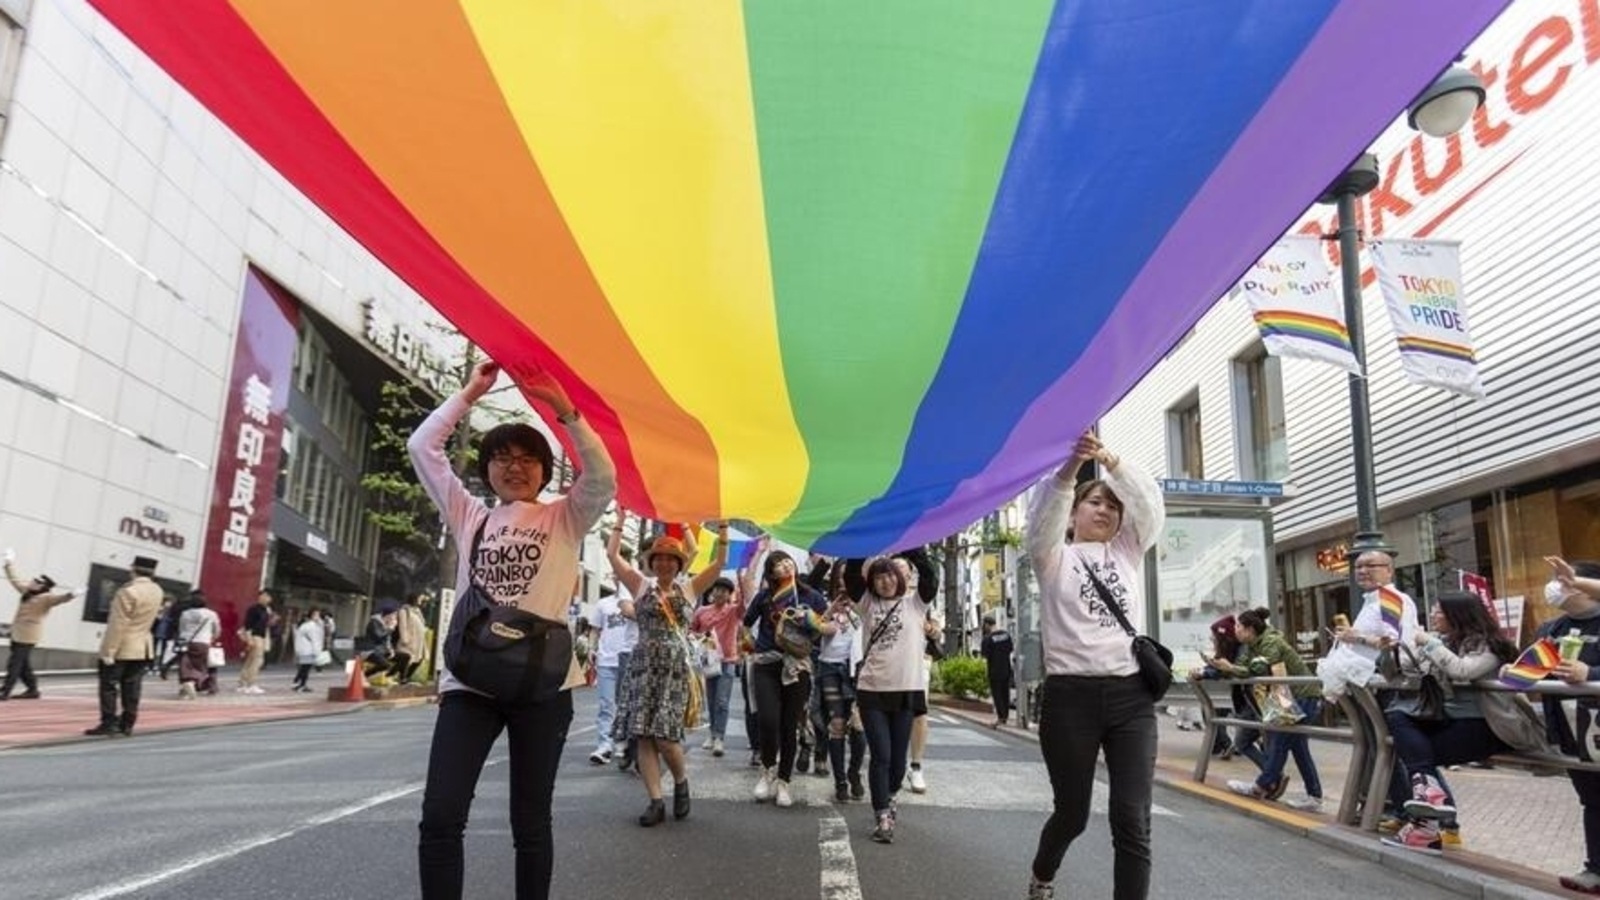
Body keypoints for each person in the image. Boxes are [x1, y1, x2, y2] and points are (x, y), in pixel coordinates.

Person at [407, 358, 615, 900]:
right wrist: (469, 395)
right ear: (487, 470)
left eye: (527, 459)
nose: (514, 467)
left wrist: (564, 410)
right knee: (441, 816)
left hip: (543, 688)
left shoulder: (566, 517)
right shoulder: (469, 515)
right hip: (469, 686)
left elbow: (603, 476)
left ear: (546, 472)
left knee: (531, 822)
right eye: (502, 457)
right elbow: (421, 449)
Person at [1023, 431, 1164, 900]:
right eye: (1094, 502)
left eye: (1111, 505)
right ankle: (1043, 873)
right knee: (1072, 814)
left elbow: (1149, 507)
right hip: (1070, 700)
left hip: (1131, 697)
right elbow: (1042, 517)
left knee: (1132, 817)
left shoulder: (1128, 551)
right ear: (1075, 513)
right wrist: (1070, 469)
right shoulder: (1052, 557)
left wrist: (1110, 460)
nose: (1104, 510)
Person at [1376, 591, 1538, 855]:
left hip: (1486, 726)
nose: (1432, 615)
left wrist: (1429, 643)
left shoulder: (1490, 645)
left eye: (1438, 611)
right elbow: (1396, 671)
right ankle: (1428, 811)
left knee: (1416, 758)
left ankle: (1425, 827)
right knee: (1397, 714)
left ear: (1457, 615)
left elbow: (1463, 670)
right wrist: (1386, 652)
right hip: (1449, 721)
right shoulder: (1442, 642)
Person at [607, 524, 729, 826]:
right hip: (643, 665)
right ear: (652, 561)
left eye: (670, 558)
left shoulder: (689, 588)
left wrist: (724, 529)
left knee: (665, 735)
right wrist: (619, 522)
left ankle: (681, 779)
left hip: (675, 667)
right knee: (644, 735)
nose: (664, 563)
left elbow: (719, 564)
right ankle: (655, 801)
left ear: (678, 563)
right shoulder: (640, 585)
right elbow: (611, 554)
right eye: (658, 557)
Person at [847, 551, 937, 843]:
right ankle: (882, 814)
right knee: (881, 756)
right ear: (871, 582)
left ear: (899, 578)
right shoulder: (867, 604)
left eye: (889, 576)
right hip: (872, 690)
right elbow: (850, 574)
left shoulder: (916, 604)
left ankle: (890, 794)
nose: (884, 582)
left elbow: (928, 573)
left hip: (906, 691)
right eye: (878, 577)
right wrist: (866, 540)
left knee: (898, 762)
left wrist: (908, 541)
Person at [743, 548, 831, 808]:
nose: (784, 566)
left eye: (786, 561)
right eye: (777, 564)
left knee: (789, 724)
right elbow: (746, 623)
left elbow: (827, 626)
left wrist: (812, 622)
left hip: (798, 666)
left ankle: (784, 781)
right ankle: (767, 771)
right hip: (766, 662)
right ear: (771, 573)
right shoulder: (765, 596)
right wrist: (748, 644)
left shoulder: (810, 596)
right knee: (768, 720)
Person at [1222, 608, 1324, 812]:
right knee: (1297, 747)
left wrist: (1230, 668)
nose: (1236, 630)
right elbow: (1243, 667)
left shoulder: (1271, 642)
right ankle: (1313, 795)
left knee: (1280, 740)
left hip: (1302, 695)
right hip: (1286, 697)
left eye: (1239, 627)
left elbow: (1259, 668)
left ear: (1250, 629)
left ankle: (1262, 785)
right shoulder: (1250, 646)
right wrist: (1226, 668)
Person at [1539, 557, 1600, 893]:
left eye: (1565, 582)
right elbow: (1536, 664)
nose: (1555, 588)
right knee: (1592, 798)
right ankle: (1596, 869)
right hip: (1573, 729)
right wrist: (1516, 672)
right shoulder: (1551, 629)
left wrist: (1589, 675)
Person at [86, 555, 164, 736]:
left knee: (109, 685)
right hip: (143, 646)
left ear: (133, 569)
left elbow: (118, 623)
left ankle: (109, 723)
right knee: (132, 686)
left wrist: (109, 651)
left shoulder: (128, 591)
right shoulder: (157, 590)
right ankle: (128, 723)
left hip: (123, 646)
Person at [1189, 613, 1265, 769]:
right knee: (1272, 741)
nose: (1212, 640)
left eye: (1239, 627)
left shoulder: (1243, 650)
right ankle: (1274, 775)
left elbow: (1230, 669)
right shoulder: (1236, 649)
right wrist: (1207, 669)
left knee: (1245, 741)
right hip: (1250, 701)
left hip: (1253, 701)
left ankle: (1271, 775)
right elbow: (1224, 667)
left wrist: (1207, 671)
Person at [1, 550, 74, 700]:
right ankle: (33, 690)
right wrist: (9, 563)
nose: (32, 582)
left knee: (14, 664)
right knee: (23, 665)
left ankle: (5, 691)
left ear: (42, 587)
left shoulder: (46, 597)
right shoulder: (27, 592)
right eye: (34, 580)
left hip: (28, 636)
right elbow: (14, 579)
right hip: (17, 633)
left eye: (36, 582)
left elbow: (59, 599)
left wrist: (71, 595)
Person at [586, 572, 639, 766]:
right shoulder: (603, 604)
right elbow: (595, 629)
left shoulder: (637, 598)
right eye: (617, 574)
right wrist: (591, 649)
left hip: (629, 657)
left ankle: (624, 743)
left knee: (627, 705)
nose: (620, 577)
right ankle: (604, 745)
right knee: (606, 706)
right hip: (607, 660)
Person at [691, 576, 745, 758]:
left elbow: (744, 606)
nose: (720, 592)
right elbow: (691, 630)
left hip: (728, 660)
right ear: (712, 591)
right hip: (708, 661)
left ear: (730, 594)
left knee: (722, 701)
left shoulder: (733, 612)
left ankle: (719, 738)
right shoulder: (701, 611)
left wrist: (741, 582)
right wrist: (699, 637)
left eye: (724, 590)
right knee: (712, 701)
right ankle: (712, 734)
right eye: (717, 589)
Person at [176, 590, 222, 698]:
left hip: (185, 642)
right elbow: (217, 630)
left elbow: (181, 628)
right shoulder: (211, 614)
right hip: (203, 642)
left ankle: (186, 684)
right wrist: (213, 638)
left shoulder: (185, 613)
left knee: (186, 664)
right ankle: (194, 683)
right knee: (202, 665)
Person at [981, 613, 1015, 728]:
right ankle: (1005, 716)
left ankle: (1001, 717)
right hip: (1006, 668)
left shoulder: (987, 639)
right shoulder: (1006, 635)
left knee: (997, 695)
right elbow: (1010, 649)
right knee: (1005, 693)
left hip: (994, 670)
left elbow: (985, 655)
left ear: (986, 625)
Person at [237, 588, 275, 694]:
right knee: (256, 661)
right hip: (255, 636)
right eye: (264, 595)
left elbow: (266, 624)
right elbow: (248, 624)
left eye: (268, 596)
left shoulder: (266, 610)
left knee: (250, 661)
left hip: (262, 636)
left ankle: (243, 683)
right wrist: (249, 639)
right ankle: (250, 684)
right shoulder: (254, 609)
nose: (267, 598)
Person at [362, 603, 400, 686]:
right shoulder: (374, 622)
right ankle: (364, 675)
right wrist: (389, 629)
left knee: (403, 657)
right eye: (393, 616)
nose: (394, 618)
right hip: (370, 650)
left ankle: (389, 677)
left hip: (380, 650)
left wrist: (391, 650)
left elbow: (387, 641)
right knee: (385, 664)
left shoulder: (386, 624)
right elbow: (379, 636)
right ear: (387, 615)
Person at [396, 593, 429, 684]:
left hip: (419, 641)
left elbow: (422, 623)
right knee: (407, 658)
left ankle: (407, 677)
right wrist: (405, 639)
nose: (420, 601)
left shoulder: (417, 611)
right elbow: (403, 626)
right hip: (410, 640)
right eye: (419, 598)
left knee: (419, 659)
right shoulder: (404, 610)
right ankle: (402, 678)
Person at [292, 609, 325, 692]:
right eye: (316, 615)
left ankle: (298, 683)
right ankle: (301, 685)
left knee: (304, 667)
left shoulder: (310, 625)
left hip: (305, 649)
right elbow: (315, 639)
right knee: (305, 668)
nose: (318, 617)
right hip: (308, 649)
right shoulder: (310, 626)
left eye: (318, 615)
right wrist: (317, 651)